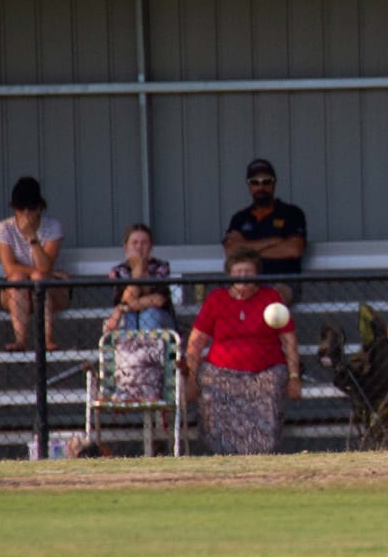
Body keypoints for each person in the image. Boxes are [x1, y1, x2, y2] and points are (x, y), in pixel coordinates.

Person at [185, 246, 301, 454]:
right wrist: (191, 378)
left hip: (265, 372)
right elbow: (196, 341)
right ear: (229, 275)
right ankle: (220, 454)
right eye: (238, 272)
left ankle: (260, 454)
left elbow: (289, 339)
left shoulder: (270, 297)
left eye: (248, 272)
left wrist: (294, 376)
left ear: (256, 275)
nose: (243, 277)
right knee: (210, 392)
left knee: (270, 389)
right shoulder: (216, 299)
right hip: (220, 372)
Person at [0, 175, 68, 351]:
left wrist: (33, 239)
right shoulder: (5, 227)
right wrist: (43, 273)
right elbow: (9, 268)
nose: (26, 213)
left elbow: (45, 267)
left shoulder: (53, 227)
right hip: (15, 293)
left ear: (40, 207)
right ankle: (20, 340)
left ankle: (47, 339)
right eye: (21, 208)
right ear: (14, 208)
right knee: (19, 278)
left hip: (49, 292)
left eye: (32, 207)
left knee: (38, 277)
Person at [224, 158, 308, 302]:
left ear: (274, 183)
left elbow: (294, 249)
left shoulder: (292, 213)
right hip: (246, 279)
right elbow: (231, 251)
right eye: (255, 182)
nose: (261, 187)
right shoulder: (239, 218)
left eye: (266, 181)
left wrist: (247, 248)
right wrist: (275, 241)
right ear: (249, 186)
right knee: (223, 299)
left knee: (273, 299)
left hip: (283, 280)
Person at [106, 222, 176, 334]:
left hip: (161, 319)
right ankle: (134, 350)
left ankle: (148, 351)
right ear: (125, 247)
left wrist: (121, 308)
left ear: (151, 246)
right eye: (134, 243)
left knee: (150, 314)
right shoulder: (118, 271)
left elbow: (158, 300)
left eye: (144, 243)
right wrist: (138, 271)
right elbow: (126, 299)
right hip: (130, 318)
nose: (139, 247)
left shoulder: (161, 266)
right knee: (130, 316)